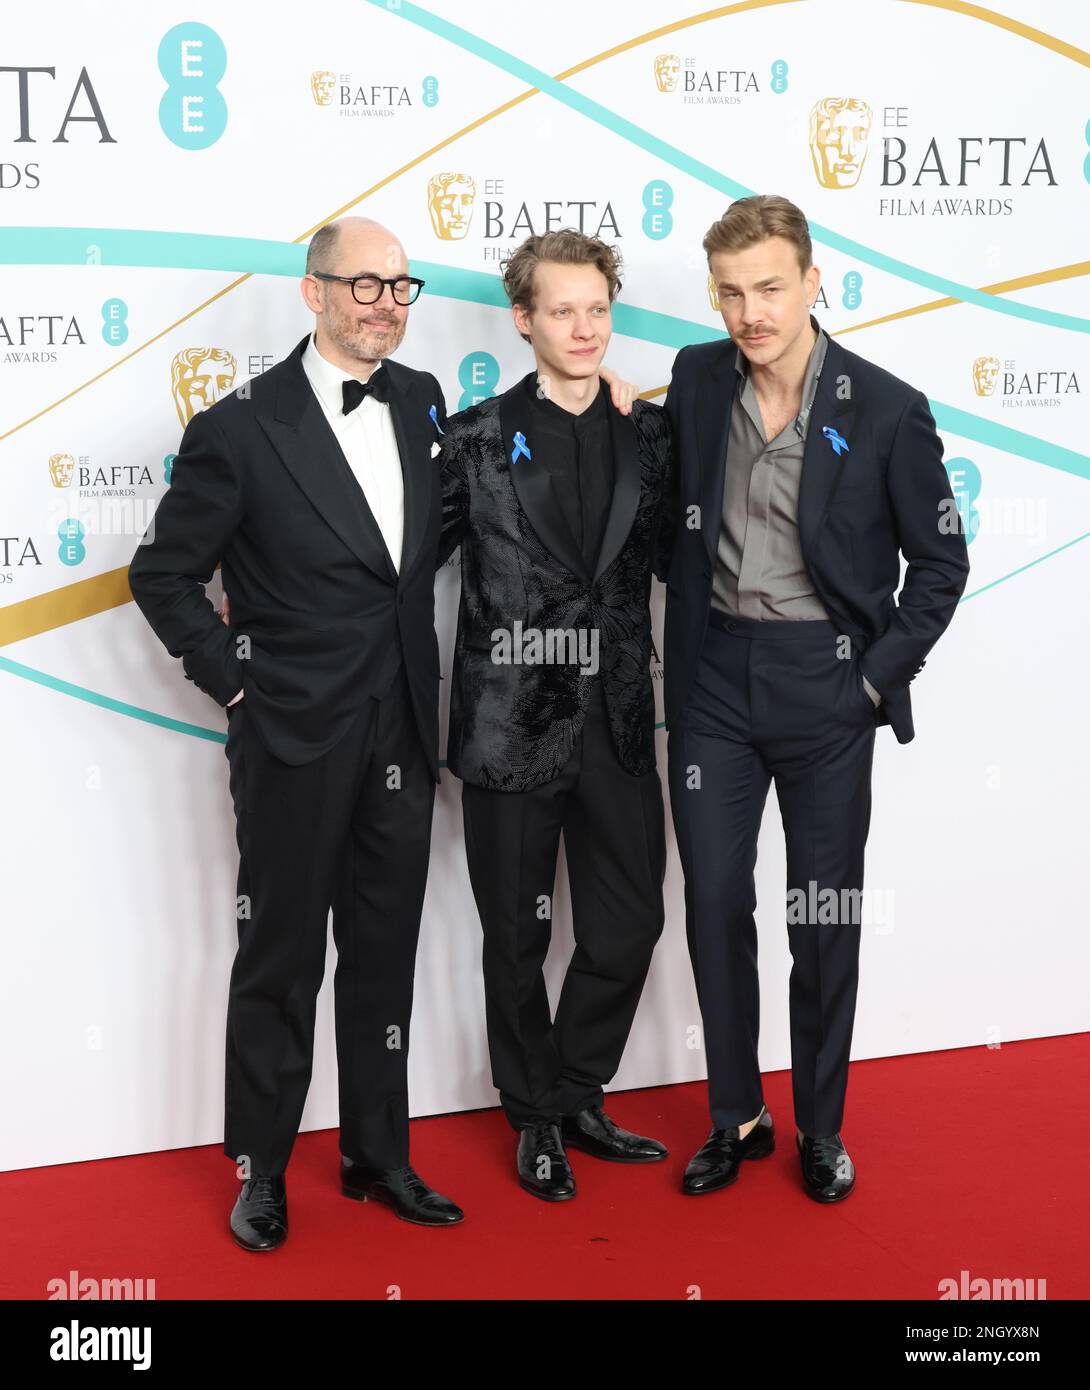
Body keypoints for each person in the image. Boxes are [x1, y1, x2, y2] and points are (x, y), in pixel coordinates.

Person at [128, 216, 465, 1250]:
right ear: (311, 290)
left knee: (384, 952)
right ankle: (262, 1167)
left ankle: (377, 1154)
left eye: (399, 286)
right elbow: (162, 574)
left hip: (402, 723)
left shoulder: (421, 401)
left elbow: (429, 540)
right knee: (278, 958)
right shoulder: (238, 426)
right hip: (292, 734)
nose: (383, 303)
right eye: (362, 284)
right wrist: (238, 684)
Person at [661, 194, 970, 1202]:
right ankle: (735, 1114)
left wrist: (872, 681)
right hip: (712, 678)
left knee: (819, 913)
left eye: (767, 288)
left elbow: (938, 564)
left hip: (825, 682)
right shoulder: (698, 379)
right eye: (730, 292)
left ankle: (822, 1125)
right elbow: (665, 487)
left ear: (811, 282)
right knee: (712, 903)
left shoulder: (885, 407)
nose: (748, 312)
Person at [436, 229, 676, 1201]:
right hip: (510, 722)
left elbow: (685, 559)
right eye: (561, 310)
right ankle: (532, 1115)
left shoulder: (652, 435)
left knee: (629, 922)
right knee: (516, 936)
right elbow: (397, 559)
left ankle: (576, 1088)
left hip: (617, 716)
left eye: (597, 309)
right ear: (524, 318)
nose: (582, 328)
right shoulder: (475, 438)